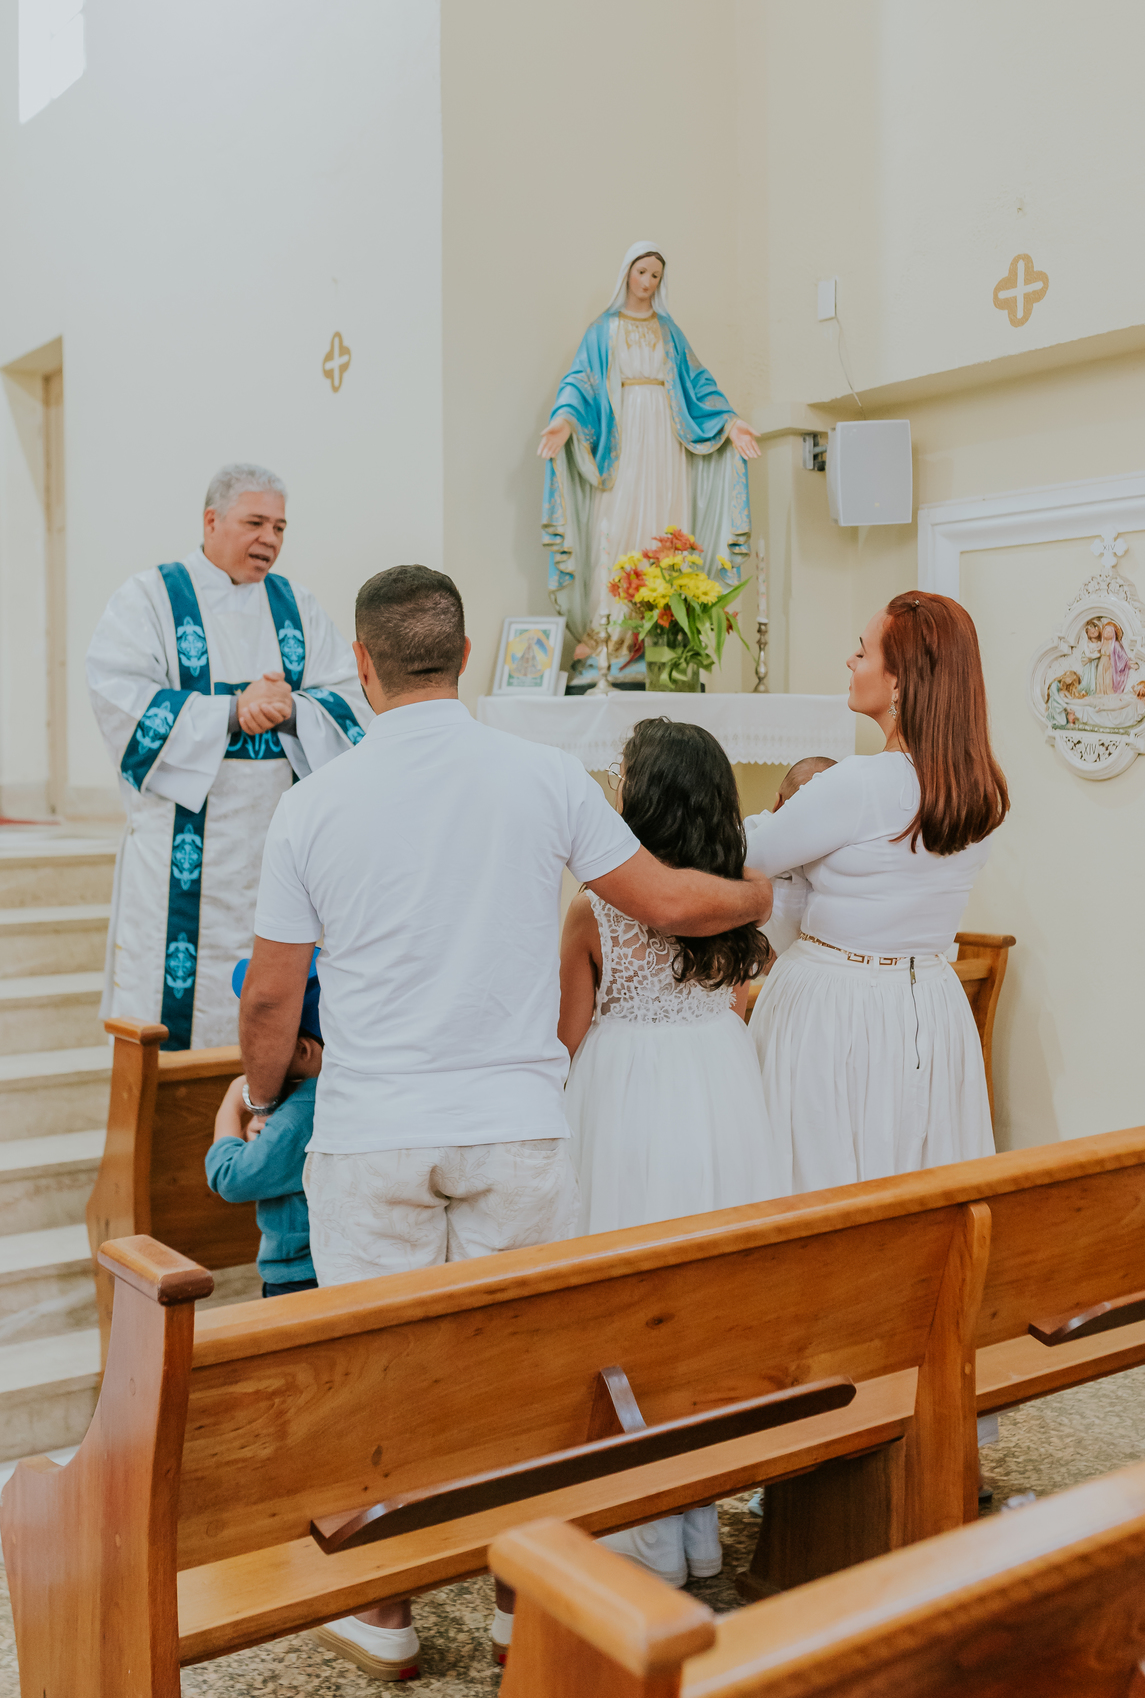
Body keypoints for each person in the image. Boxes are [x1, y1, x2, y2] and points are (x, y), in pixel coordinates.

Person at [238, 564, 771, 1679]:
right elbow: (670, 903)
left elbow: (271, 996)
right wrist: (761, 896)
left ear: (365, 667)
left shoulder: (314, 802)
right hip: (517, 1125)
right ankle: (515, 1601)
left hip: (377, 1127)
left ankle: (385, 1612)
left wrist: (268, 1086)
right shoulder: (545, 776)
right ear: (469, 655)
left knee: (383, 1366)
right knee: (521, 1372)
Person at [559, 717, 781, 1590]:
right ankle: (698, 1527)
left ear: (639, 800)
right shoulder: (740, 894)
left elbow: (565, 1040)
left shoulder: (596, 912)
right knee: (704, 1304)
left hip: (625, 1097)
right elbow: (735, 1000)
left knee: (628, 1307)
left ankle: (642, 1534)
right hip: (719, 1090)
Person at [87, 463, 370, 1048]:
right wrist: (230, 711)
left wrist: (292, 709)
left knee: (276, 993)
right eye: (255, 522)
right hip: (182, 852)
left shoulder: (298, 606)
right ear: (212, 521)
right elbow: (119, 695)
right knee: (175, 1011)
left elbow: (350, 697)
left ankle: (264, 1116)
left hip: (279, 840)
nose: (269, 539)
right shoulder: (150, 598)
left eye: (281, 527)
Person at [746, 592, 1009, 1194]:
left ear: (899, 682)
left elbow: (749, 855)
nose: (850, 662)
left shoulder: (860, 783)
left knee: (815, 1180)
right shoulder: (979, 791)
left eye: (862, 652)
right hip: (931, 1006)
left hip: (835, 1008)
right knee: (917, 1176)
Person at [538, 241, 760, 636]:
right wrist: (565, 421)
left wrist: (730, 422)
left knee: (665, 518)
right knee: (616, 519)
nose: (648, 281)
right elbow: (580, 383)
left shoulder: (669, 331)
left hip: (665, 437)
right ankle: (607, 630)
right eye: (642, 272)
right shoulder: (602, 331)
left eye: (655, 275)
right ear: (627, 273)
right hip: (621, 441)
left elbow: (698, 382)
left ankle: (661, 629)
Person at [205, 954, 324, 1299]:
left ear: (301, 1049)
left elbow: (230, 1177)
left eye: (260, 1040)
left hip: (300, 1278)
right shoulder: (335, 1091)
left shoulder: (300, 1115)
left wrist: (231, 1100)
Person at [758, 757, 836, 960]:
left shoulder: (757, 831)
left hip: (793, 960)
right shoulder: (759, 831)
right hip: (769, 958)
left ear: (777, 802)